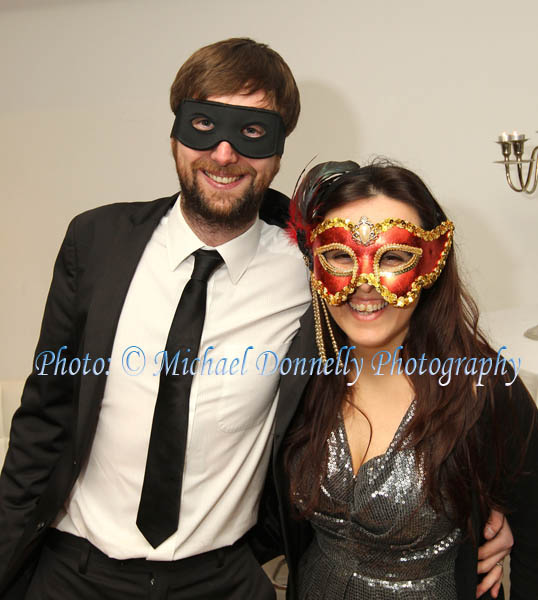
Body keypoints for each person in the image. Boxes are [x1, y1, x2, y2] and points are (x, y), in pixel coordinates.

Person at [0, 40, 511, 600]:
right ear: (174, 133)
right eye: (202, 124)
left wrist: (489, 506)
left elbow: (426, 339)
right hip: (74, 571)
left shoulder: (310, 269)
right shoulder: (96, 242)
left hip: (222, 579)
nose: (223, 154)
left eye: (251, 133)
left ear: (278, 151)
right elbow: (43, 419)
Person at [256, 160, 538, 599]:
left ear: (432, 259)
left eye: (391, 256)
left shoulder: (483, 387)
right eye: (339, 256)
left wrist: (493, 510)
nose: (364, 284)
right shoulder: (303, 373)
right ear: (315, 263)